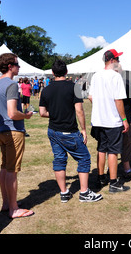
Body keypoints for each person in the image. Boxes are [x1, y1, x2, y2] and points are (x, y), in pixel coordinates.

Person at [39, 60, 102, 203]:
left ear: (53, 73)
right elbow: (79, 110)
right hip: (69, 131)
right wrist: (84, 129)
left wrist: (55, 113)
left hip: (53, 130)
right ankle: (84, 192)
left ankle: (64, 192)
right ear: (66, 72)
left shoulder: (46, 89)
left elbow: (42, 112)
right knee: (84, 158)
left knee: (59, 159)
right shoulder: (74, 87)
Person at [0, 53, 34, 219]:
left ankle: (7, 203)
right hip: (13, 131)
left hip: (2, 131)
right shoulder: (11, 84)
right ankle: (13, 208)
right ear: (10, 66)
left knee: (4, 167)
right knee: (12, 170)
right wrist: (26, 115)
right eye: (17, 63)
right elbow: (12, 113)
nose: (19, 67)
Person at [88, 49, 130, 193]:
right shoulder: (115, 76)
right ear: (112, 60)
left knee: (101, 149)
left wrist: (100, 106)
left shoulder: (96, 76)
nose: (119, 62)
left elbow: (91, 97)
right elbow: (118, 100)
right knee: (113, 151)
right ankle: (113, 182)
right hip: (112, 120)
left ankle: (100, 178)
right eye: (117, 59)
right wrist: (124, 119)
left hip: (98, 120)